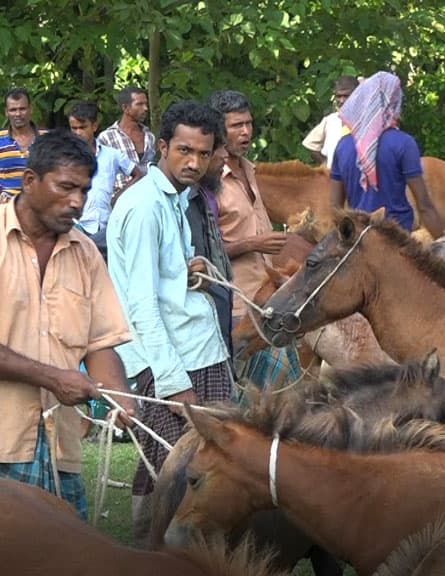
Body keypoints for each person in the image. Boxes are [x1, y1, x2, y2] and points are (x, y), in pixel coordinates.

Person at [105, 100, 233, 545]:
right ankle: (150, 556)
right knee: (173, 474)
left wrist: (188, 266)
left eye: (203, 152)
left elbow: (162, 283)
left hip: (198, 350)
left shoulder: (175, 200)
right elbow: (140, 306)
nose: (193, 162)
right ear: (162, 146)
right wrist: (175, 383)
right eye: (184, 150)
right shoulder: (144, 207)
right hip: (173, 364)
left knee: (201, 469)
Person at [0, 131, 134, 519]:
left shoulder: (86, 251)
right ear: (29, 181)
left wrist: (120, 398)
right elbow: (58, 376)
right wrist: (52, 377)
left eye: (85, 190)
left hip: (62, 447)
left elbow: (100, 344)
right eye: (66, 187)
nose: (77, 202)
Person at [208, 90, 301, 389]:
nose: (246, 132)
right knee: (248, 397)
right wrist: (253, 245)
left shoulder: (251, 170)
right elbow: (202, 251)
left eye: (248, 124)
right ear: (218, 129)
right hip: (235, 306)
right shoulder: (209, 182)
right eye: (236, 126)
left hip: (267, 301)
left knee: (286, 391)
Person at [330, 71, 445, 239]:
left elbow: (335, 207)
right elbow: (424, 206)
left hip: (359, 242)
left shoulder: (343, 146)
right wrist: (442, 242)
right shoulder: (404, 143)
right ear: (392, 103)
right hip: (397, 241)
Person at [66, 100, 143, 258]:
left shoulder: (111, 155)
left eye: (83, 127)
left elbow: (139, 174)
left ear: (94, 126)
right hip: (75, 226)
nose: (78, 133)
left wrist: (119, 196)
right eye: (74, 128)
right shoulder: (65, 157)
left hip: (105, 228)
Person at [185, 143, 234, 360]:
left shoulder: (204, 196)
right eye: (215, 150)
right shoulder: (179, 203)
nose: (225, 155)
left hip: (218, 325)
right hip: (196, 342)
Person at [97, 86, 156, 200]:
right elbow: (102, 175)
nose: (145, 108)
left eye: (146, 104)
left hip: (148, 199)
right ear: (125, 108)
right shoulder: (107, 138)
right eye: (139, 104)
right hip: (118, 200)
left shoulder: (149, 137)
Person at [303, 75, 359, 167]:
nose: (341, 100)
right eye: (338, 96)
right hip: (333, 178)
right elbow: (310, 144)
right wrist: (326, 164)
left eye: (346, 96)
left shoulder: (367, 120)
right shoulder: (331, 120)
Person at [0, 88, 45, 201]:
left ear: (30, 109)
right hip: (5, 208)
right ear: (6, 112)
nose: (18, 114)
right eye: (13, 110)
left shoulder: (47, 139)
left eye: (22, 109)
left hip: (39, 207)